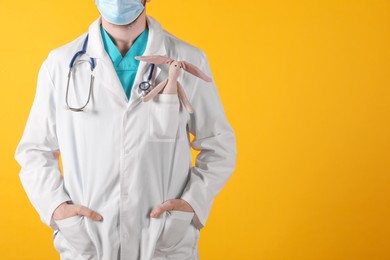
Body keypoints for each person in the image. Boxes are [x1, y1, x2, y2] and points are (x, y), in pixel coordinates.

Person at [14, 0, 237, 259]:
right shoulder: (61, 64)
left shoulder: (187, 60)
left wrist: (192, 204)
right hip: (88, 243)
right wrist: (57, 209)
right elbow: (34, 150)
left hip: (163, 243)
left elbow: (219, 144)